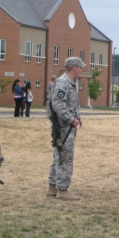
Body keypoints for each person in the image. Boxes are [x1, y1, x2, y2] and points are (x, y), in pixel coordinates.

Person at [46, 57, 85, 200]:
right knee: (65, 159)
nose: (82, 69)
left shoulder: (69, 83)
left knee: (59, 157)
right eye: (80, 67)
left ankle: (52, 188)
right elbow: (58, 105)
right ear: (74, 67)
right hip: (63, 128)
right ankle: (62, 190)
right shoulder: (63, 83)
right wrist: (72, 120)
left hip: (65, 128)